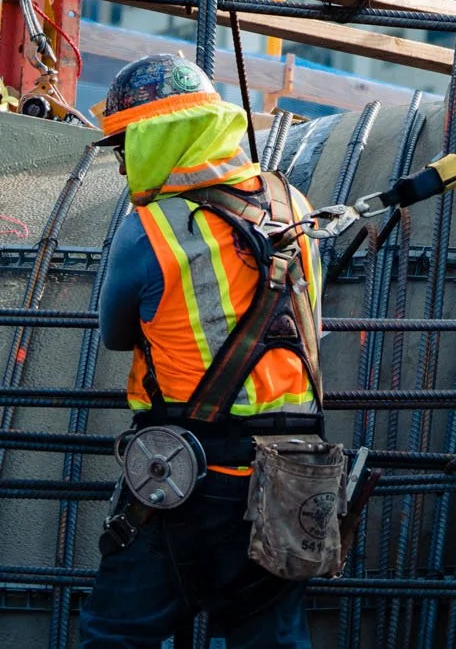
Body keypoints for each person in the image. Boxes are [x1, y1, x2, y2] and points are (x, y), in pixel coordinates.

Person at [85, 53, 325, 648]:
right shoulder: (294, 206)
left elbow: (115, 334)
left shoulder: (153, 226)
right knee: (269, 637)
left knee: (119, 634)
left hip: (187, 474)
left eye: (124, 147)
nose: (120, 166)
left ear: (157, 136)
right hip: (290, 473)